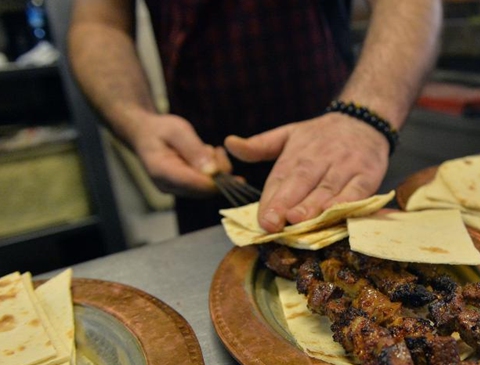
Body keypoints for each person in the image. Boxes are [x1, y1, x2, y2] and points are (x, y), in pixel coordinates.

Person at [67, 1, 442, 234]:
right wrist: (136, 121)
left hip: (338, 161)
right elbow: (99, 23)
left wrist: (365, 116)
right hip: (204, 167)